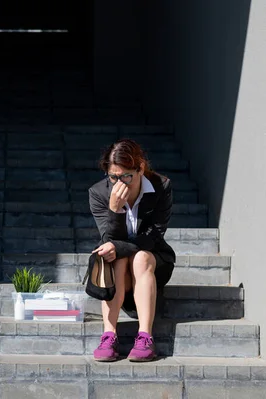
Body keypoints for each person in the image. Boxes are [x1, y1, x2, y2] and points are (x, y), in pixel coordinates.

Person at [88, 138, 175, 362]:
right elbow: (108, 239)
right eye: (113, 177)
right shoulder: (99, 193)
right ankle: (109, 335)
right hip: (118, 276)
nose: (120, 184)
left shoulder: (160, 186)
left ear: (140, 168)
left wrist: (118, 247)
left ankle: (145, 336)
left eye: (126, 175)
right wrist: (115, 210)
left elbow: (153, 237)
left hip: (152, 263)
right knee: (115, 258)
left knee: (140, 258)